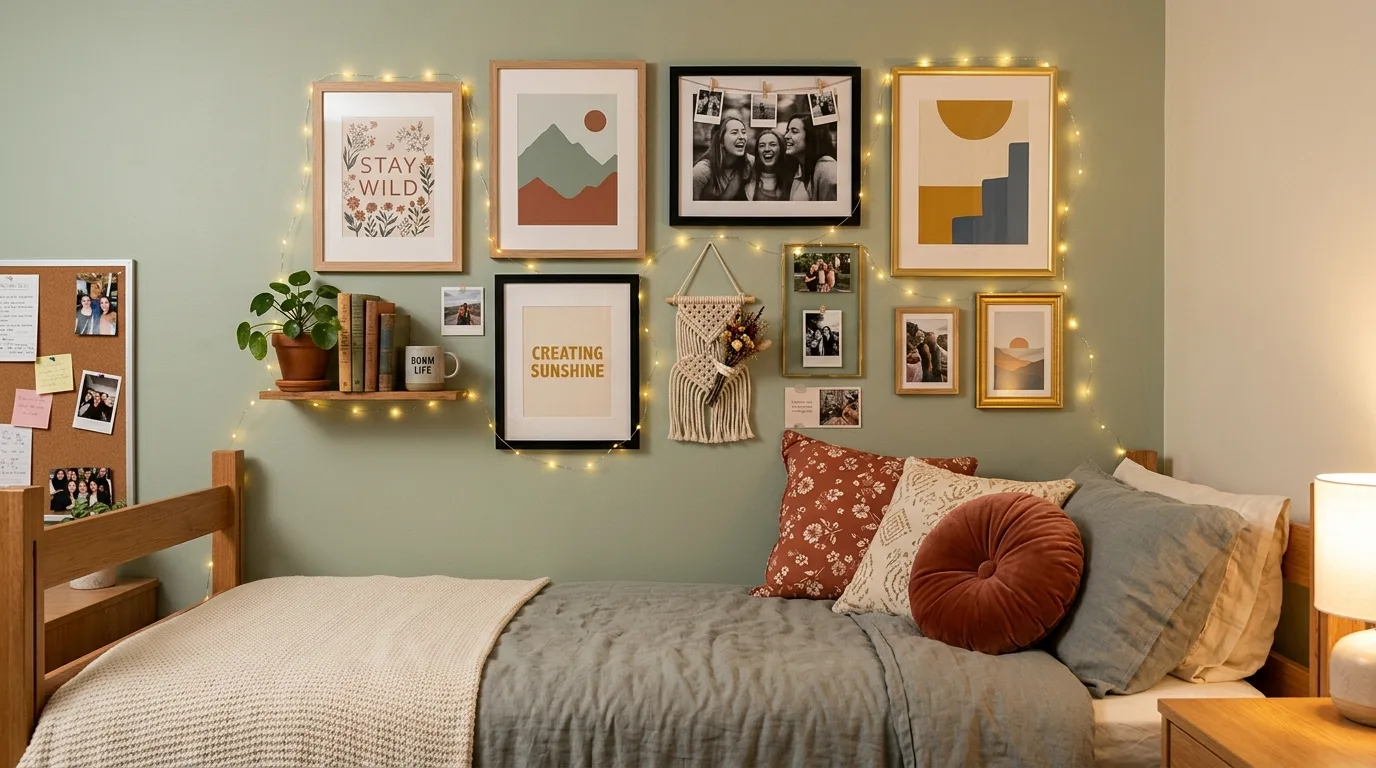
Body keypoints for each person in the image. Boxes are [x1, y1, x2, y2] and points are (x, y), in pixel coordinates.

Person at [691, 116, 750, 201]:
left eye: (744, 132)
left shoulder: (749, 162)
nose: (742, 137)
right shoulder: (702, 170)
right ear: (721, 140)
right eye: (734, 133)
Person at [783, 115, 838, 203]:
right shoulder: (799, 168)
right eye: (787, 131)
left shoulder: (827, 169)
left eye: (794, 132)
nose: (786, 136)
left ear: (811, 136)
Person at [744, 130, 806, 202]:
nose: (767, 149)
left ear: (781, 149)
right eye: (762, 145)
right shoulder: (749, 179)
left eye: (773, 144)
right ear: (757, 152)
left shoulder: (794, 180)